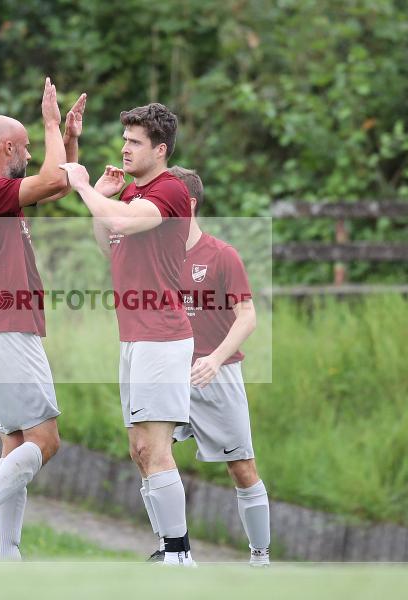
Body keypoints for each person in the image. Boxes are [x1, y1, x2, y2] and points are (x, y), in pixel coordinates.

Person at [0, 77, 87, 559]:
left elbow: (56, 187)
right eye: (25, 149)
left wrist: (66, 140)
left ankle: (8, 559)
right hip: (5, 330)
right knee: (45, 441)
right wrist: (49, 122)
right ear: (7, 147)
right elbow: (49, 180)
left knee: (15, 446)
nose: (29, 156)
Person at [59, 103, 196, 566]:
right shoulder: (137, 196)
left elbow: (120, 221)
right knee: (140, 450)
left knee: (154, 449)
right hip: (136, 337)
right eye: (125, 139)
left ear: (159, 150)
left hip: (162, 335)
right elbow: (110, 241)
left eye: (135, 142)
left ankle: (180, 555)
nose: (124, 147)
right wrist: (99, 195)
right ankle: (167, 548)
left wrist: (82, 188)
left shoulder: (170, 190)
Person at [167, 165, 271, 566]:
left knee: (242, 468)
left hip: (217, 376)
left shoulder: (222, 255)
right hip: (170, 374)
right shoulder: (156, 255)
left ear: (188, 203)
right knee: (147, 450)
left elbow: (248, 316)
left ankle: (260, 560)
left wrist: (214, 358)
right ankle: (174, 551)